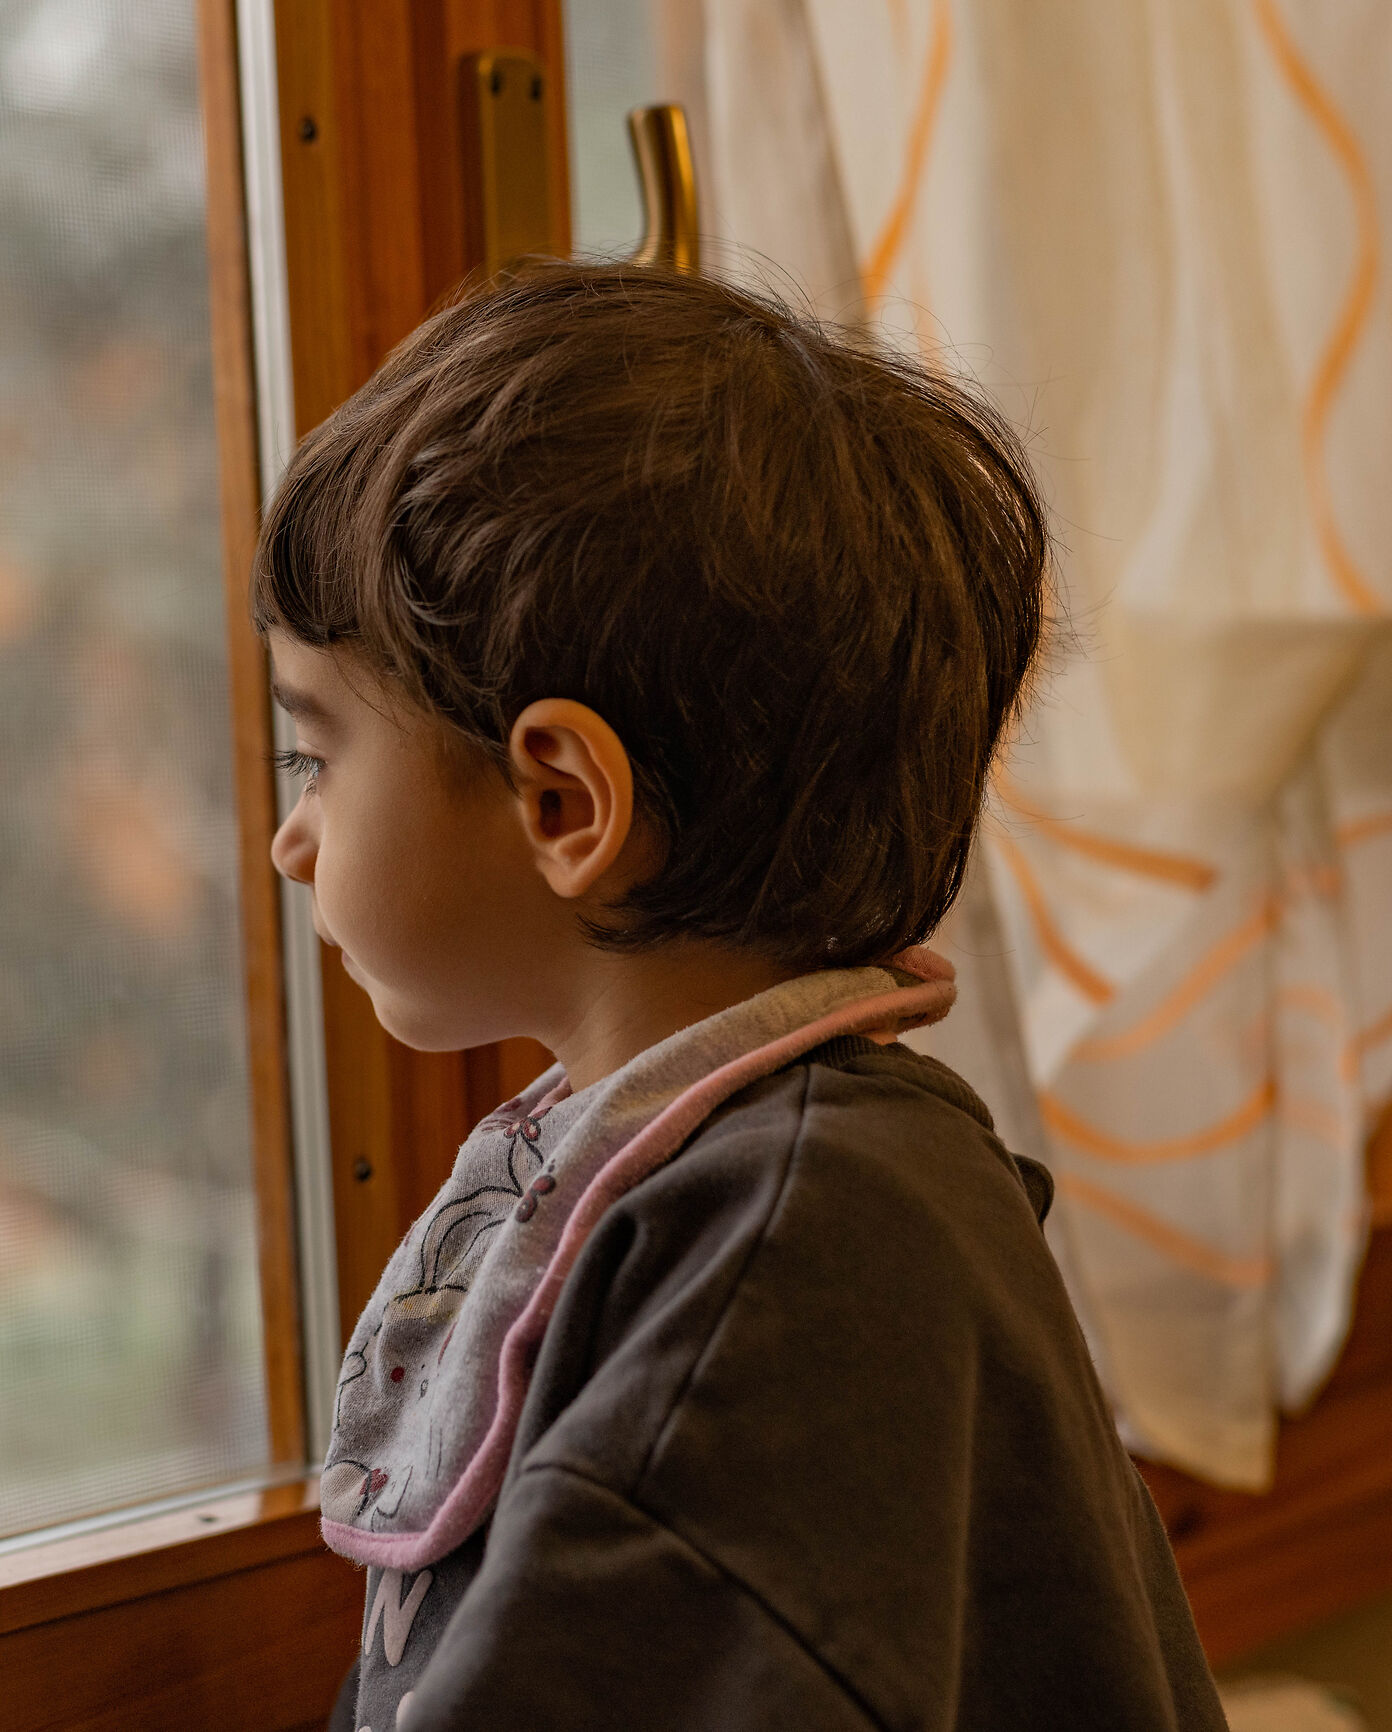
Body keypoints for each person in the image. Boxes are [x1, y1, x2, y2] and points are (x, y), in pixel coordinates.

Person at [258, 259, 1228, 1731]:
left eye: (317, 755)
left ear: (563, 800)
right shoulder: (768, 1172)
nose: (290, 838)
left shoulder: (791, 1247)